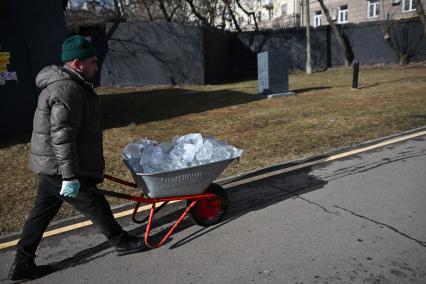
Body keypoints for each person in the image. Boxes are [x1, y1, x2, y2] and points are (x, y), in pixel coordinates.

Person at [8, 35, 145, 281]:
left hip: (51, 165)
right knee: (95, 203)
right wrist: (70, 177)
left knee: (41, 214)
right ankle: (122, 241)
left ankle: (22, 262)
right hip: (62, 167)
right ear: (77, 63)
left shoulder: (68, 84)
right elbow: (62, 137)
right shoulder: (67, 89)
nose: (96, 66)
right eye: (92, 62)